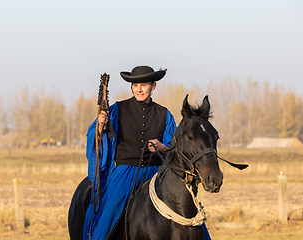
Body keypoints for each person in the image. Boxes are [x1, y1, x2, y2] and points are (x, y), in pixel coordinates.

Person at [83, 65, 211, 240]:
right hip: (125, 172)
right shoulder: (116, 110)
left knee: (192, 213)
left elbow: (174, 149)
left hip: (156, 172)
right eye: (135, 85)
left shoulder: (165, 115)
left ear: (153, 86)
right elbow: (99, 139)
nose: (139, 89)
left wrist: (162, 147)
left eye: (143, 85)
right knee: (112, 206)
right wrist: (99, 126)